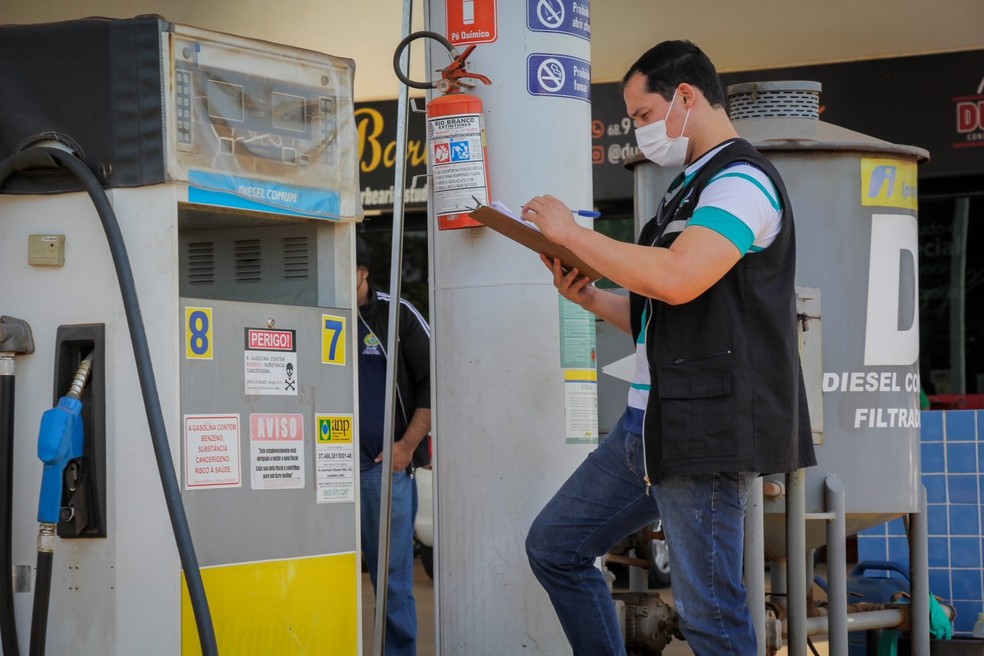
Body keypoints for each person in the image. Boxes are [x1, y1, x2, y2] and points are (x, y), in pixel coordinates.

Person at [522, 40, 817, 655]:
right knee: (555, 547)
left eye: (642, 115)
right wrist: (590, 297)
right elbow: (665, 310)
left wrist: (574, 232)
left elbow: (678, 277)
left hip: (702, 429)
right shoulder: (687, 186)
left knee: (710, 615)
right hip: (647, 424)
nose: (637, 133)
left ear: (685, 96)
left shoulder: (743, 183)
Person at [356, 235, 431, 656]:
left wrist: (405, 446)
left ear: (363, 273)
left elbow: (431, 383)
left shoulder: (395, 314)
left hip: (382, 471)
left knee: (391, 579)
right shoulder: (317, 309)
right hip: (325, 471)